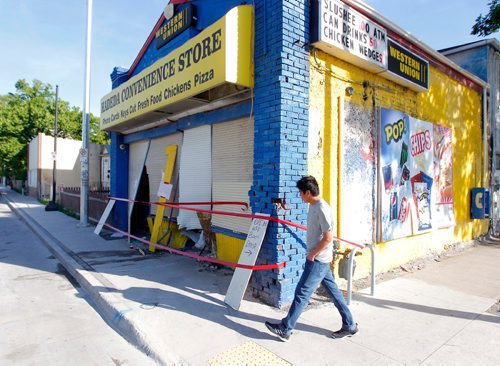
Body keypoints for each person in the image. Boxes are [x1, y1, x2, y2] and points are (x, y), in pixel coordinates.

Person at [265, 175, 358, 341]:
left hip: (318, 260)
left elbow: (328, 237)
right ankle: (350, 324)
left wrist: (312, 254)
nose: (300, 196)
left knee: (302, 293)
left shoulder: (321, 208)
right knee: (335, 294)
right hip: (321, 259)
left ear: (308, 192)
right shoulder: (314, 206)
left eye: (301, 193)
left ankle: (286, 328)